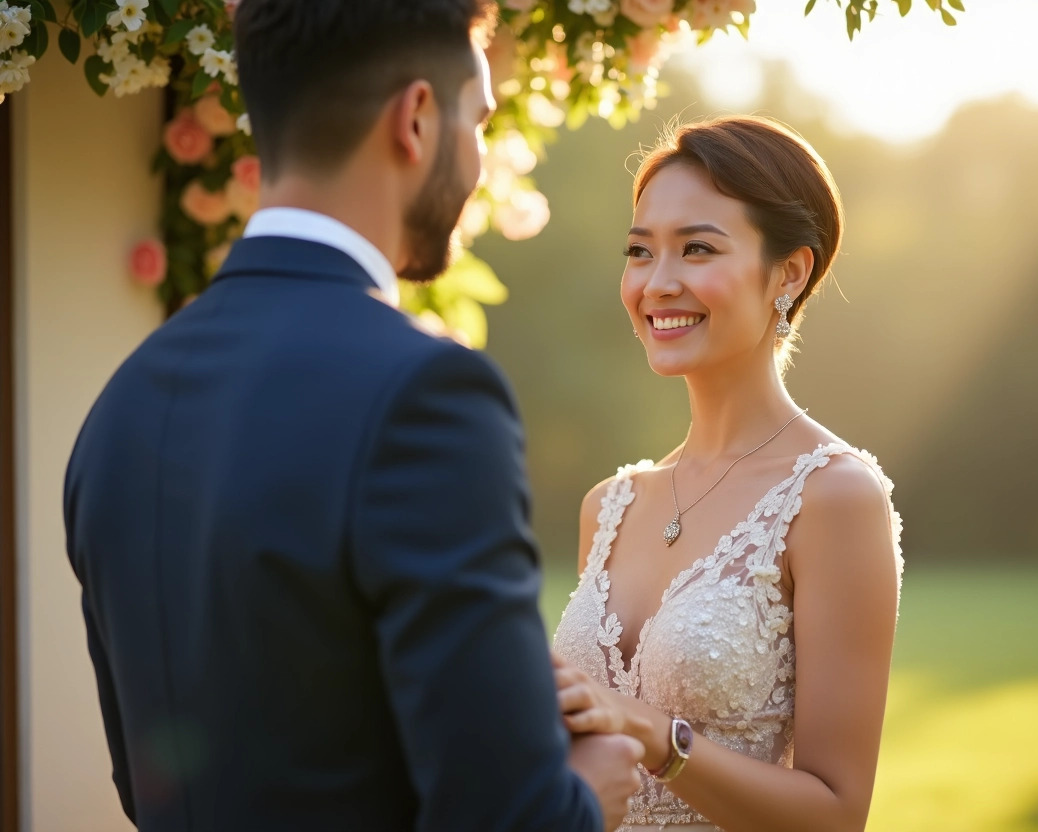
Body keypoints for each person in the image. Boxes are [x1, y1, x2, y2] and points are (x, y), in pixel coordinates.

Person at [63, 1, 642, 829]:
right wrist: (588, 787)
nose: (478, 155)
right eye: (476, 119)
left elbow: (147, 780)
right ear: (414, 118)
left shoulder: (121, 405)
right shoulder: (427, 397)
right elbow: (510, 818)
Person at [551, 116, 904, 832]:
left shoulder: (832, 497)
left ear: (791, 272)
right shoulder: (609, 505)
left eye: (698, 249)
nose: (658, 283)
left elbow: (836, 815)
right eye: (640, 251)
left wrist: (658, 737)